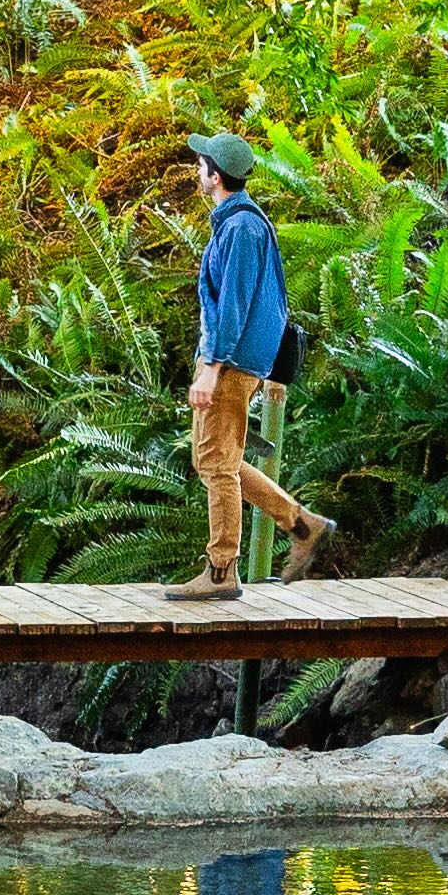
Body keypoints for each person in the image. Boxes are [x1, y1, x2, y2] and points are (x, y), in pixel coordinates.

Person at [170, 130, 336, 602]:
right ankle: (302, 524)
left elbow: (234, 306)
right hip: (237, 360)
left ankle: (221, 570)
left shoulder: (242, 228)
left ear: (215, 175)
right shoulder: (238, 223)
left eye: (202, 164)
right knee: (216, 459)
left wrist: (211, 367)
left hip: (230, 362)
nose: (197, 169)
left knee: (216, 465)